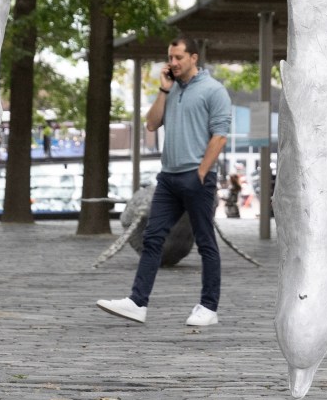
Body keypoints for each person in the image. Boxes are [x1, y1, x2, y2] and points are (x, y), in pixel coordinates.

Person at [97, 35, 229, 327]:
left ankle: (209, 307)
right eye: (170, 57)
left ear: (194, 58)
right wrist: (162, 90)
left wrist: (201, 173)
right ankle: (137, 302)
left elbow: (219, 136)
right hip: (168, 179)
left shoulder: (213, 90)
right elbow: (151, 123)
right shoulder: (171, 90)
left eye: (179, 57)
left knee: (206, 242)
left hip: (197, 178)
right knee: (152, 238)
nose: (173, 63)